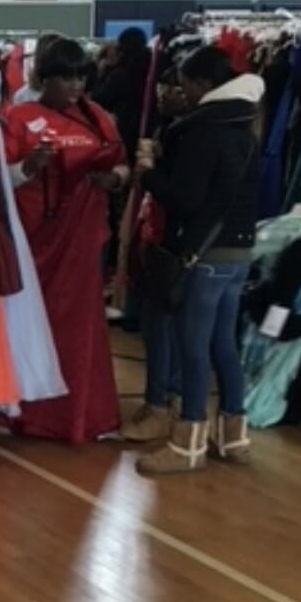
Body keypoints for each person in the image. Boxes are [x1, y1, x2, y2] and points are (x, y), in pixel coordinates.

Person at [135, 46, 262, 474]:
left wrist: (150, 174)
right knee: (224, 344)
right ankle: (234, 437)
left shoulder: (203, 131)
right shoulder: (245, 125)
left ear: (203, 84)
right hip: (239, 250)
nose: (181, 92)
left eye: (185, 84)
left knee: (193, 345)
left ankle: (188, 441)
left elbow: (185, 200)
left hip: (204, 252)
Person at [4, 38, 127, 445]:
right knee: (30, 325)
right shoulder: (18, 118)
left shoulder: (97, 117)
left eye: (80, 78)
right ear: (44, 79)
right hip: (34, 242)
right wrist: (29, 167)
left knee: (79, 330)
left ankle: (80, 414)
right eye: (66, 78)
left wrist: (113, 179)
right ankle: (27, 413)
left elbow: (122, 165)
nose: (75, 86)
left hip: (82, 241)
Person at [121, 65, 188, 441]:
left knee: (161, 324)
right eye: (161, 87)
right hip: (158, 233)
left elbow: (180, 194)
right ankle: (168, 399)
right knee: (164, 324)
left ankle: (161, 403)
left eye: (174, 88)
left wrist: (148, 172)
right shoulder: (173, 129)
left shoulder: (192, 134)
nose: (163, 94)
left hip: (171, 239)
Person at [94, 27, 154, 159]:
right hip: (149, 131)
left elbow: (99, 100)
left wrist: (104, 71)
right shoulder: (153, 70)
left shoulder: (120, 75)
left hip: (123, 130)